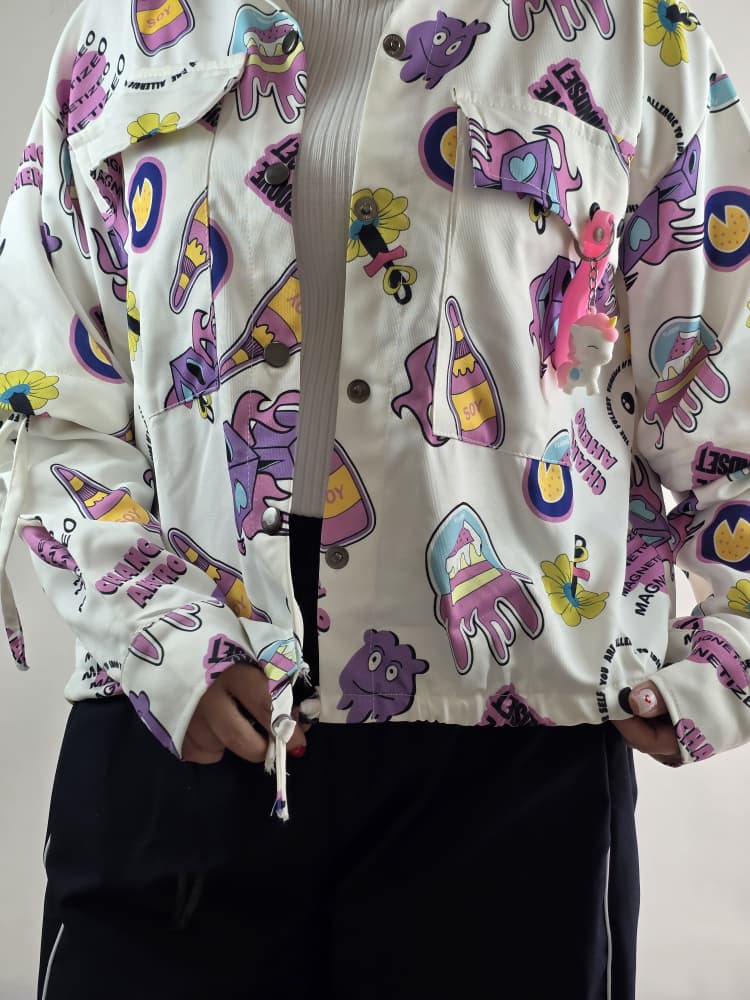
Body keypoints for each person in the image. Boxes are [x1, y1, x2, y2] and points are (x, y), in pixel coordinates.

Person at [2, 0, 749, 996]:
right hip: (175, 720)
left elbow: (724, 373)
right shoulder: (126, 29)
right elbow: (43, 399)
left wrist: (729, 654)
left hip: (511, 760)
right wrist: (160, 633)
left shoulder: (631, 36)